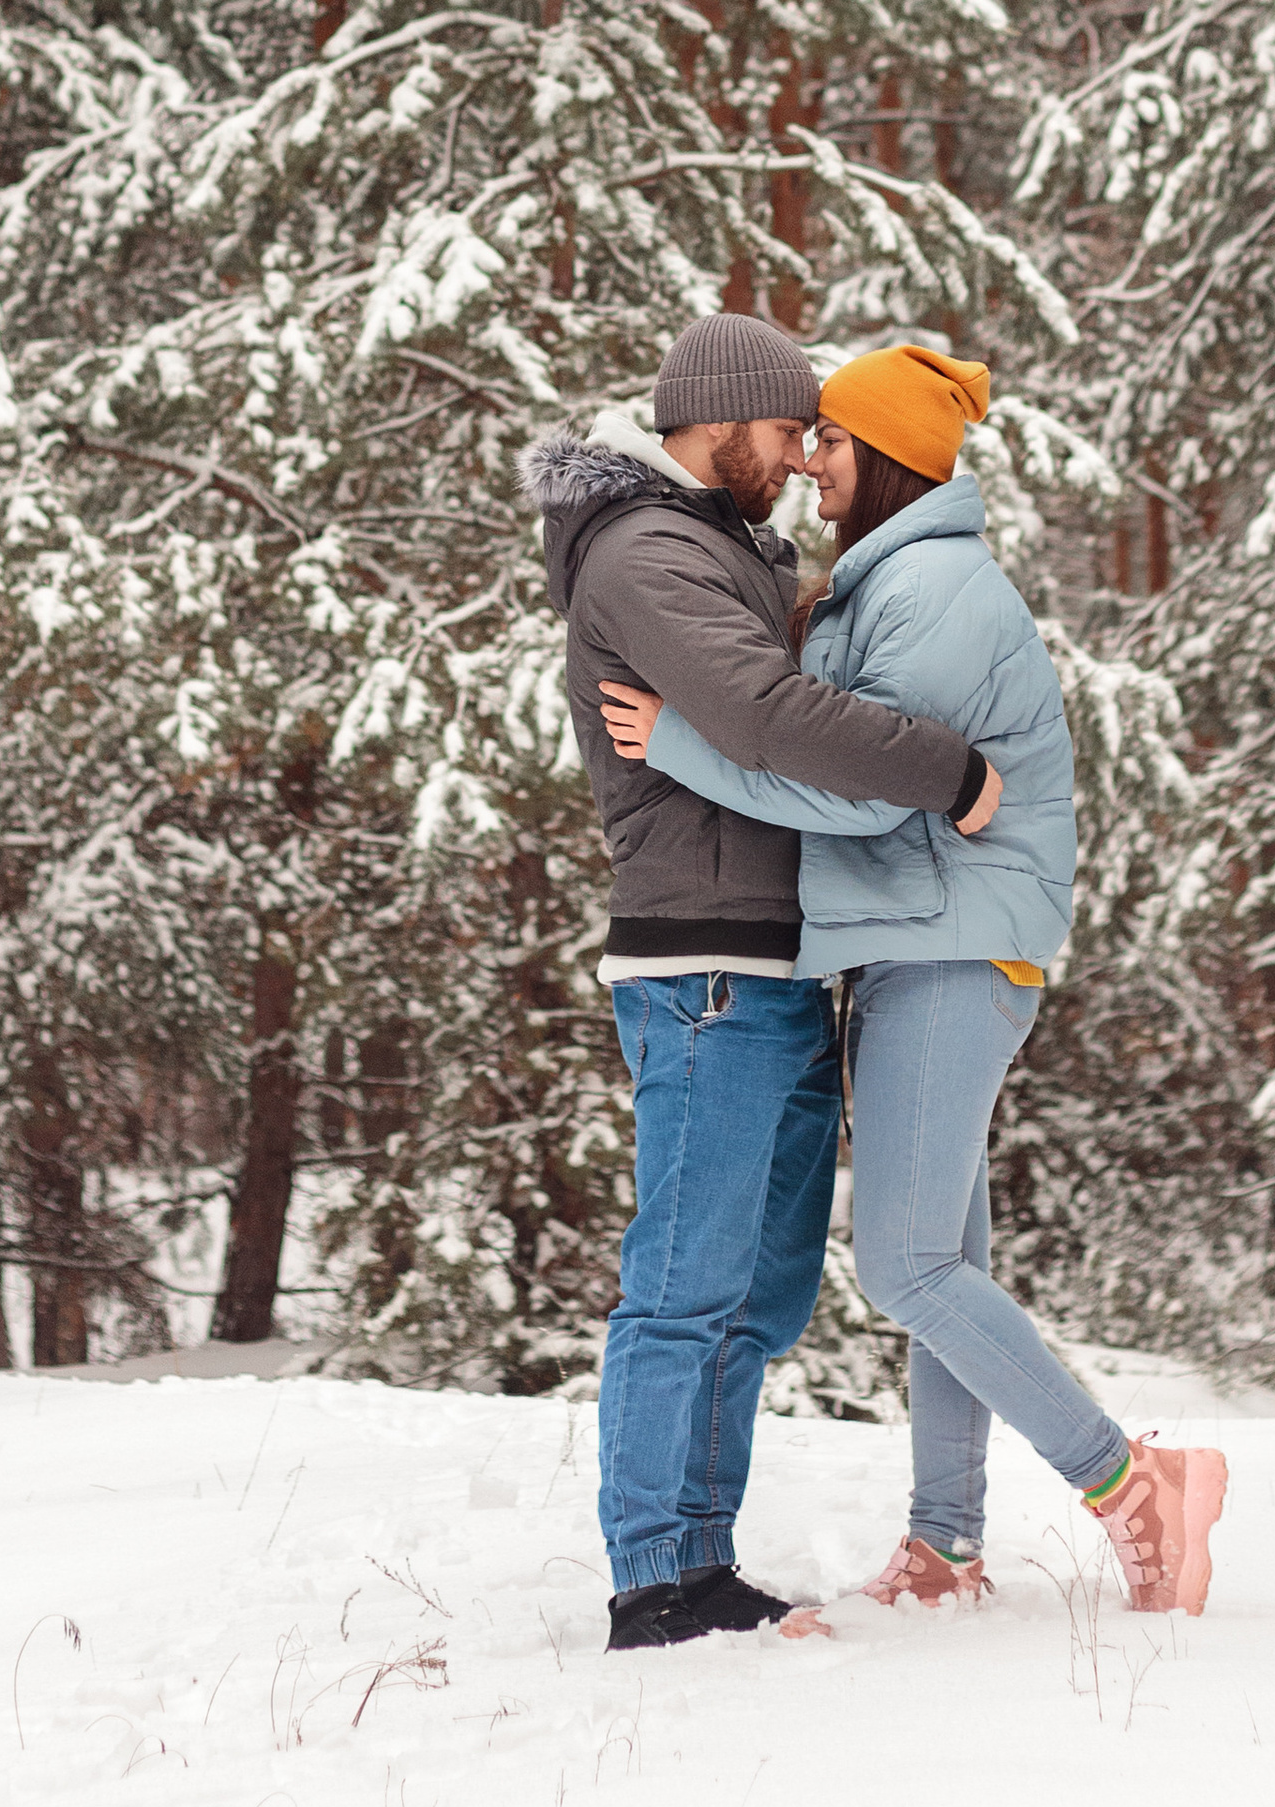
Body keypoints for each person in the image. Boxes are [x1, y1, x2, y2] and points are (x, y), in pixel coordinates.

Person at [601, 342, 1228, 1618]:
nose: (809, 461)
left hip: (947, 939)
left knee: (902, 1267)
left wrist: (676, 744)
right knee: (945, 1257)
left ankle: (1132, 1483)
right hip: (909, 940)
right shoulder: (878, 583)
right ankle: (945, 1544)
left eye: (830, 441)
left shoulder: (931, 586)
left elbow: (848, 785)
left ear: (882, 457)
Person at [522, 311, 1007, 1654]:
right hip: (707, 966)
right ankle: (657, 1581)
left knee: (761, 1288)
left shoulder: (724, 549)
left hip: (776, 961)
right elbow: (763, 716)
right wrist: (951, 773)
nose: (802, 461)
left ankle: (696, 1558)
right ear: (722, 419)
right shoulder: (647, 551)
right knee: (688, 1280)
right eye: (791, 433)